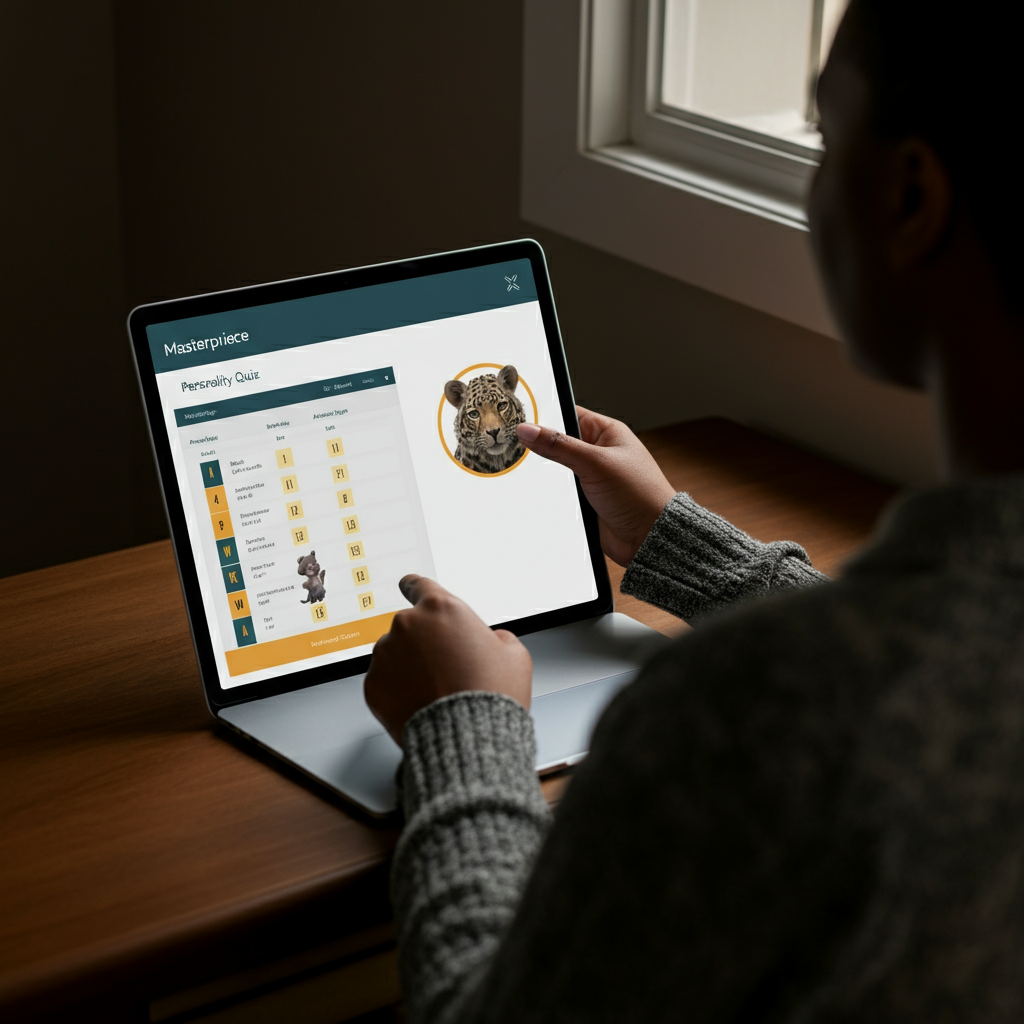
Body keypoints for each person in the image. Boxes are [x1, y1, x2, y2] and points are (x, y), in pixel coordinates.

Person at [364, 1, 1024, 1019]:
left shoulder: (738, 716)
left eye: (825, 140)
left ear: (909, 196)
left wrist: (464, 725)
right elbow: (934, 661)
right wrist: (674, 540)